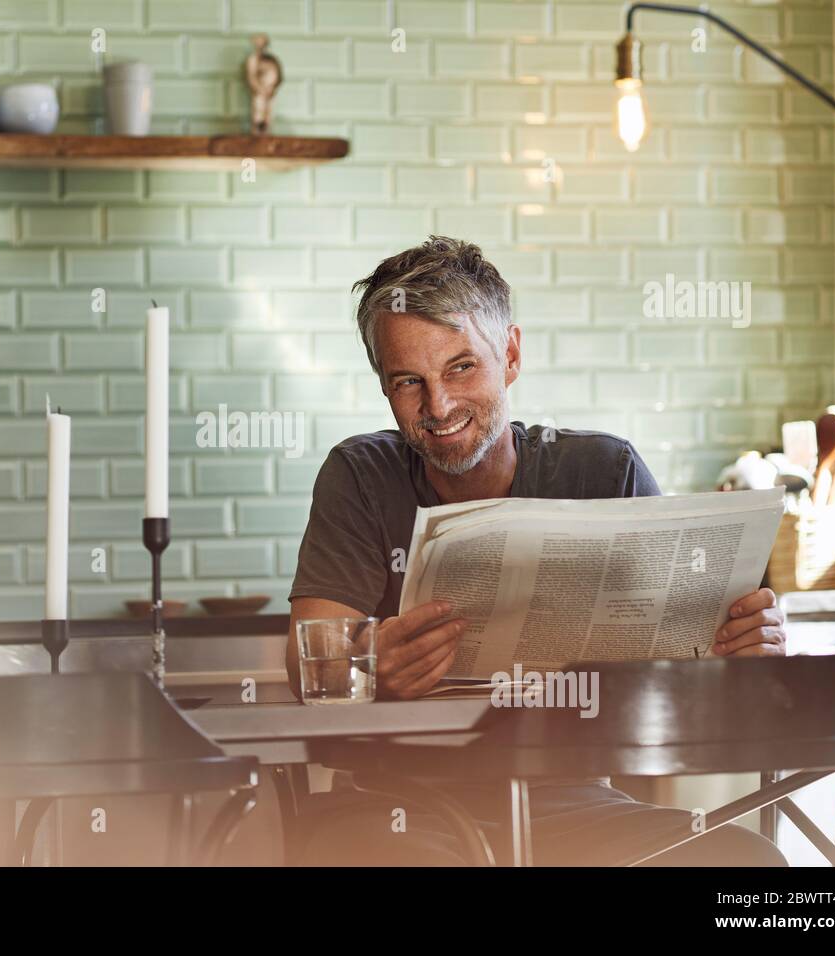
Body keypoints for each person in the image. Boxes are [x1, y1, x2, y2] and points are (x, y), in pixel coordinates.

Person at [285, 237, 787, 866]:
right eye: (408, 381)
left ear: (511, 354)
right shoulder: (360, 476)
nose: (437, 406)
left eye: (461, 367)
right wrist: (369, 663)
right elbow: (311, 663)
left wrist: (743, 651)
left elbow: (687, 680)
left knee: (748, 865)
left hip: (576, 806)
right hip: (398, 810)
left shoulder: (605, 473)